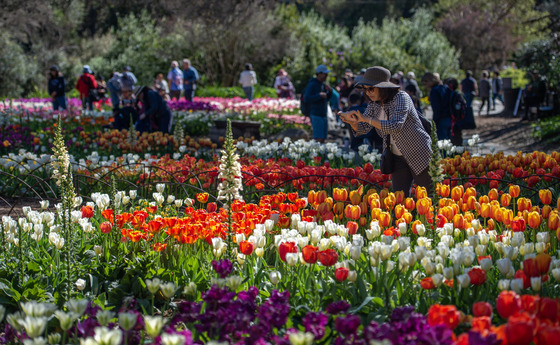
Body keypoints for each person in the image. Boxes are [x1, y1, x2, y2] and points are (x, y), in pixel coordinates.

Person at [339, 66, 432, 196]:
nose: (368, 93)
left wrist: (366, 119)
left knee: (429, 196)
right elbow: (363, 129)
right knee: (399, 200)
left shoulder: (401, 97)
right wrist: (352, 122)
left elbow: (395, 126)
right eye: (365, 89)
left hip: (417, 151)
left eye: (371, 88)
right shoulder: (374, 104)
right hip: (396, 156)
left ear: (383, 87)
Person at [303, 65, 332, 143]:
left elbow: (326, 99)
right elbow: (307, 98)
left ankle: (320, 155)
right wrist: (319, 95)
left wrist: (330, 92)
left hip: (323, 114)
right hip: (316, 114)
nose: (326, 76)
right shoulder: (312, 84)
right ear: (319, 74)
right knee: (319, 138)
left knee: (323, 138)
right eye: (325, 74)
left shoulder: (322, 84)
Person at [421, 72, 452, 140]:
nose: (426, 86)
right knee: (448, 141)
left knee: (442, 142)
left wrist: (434, 122)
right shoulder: (445, 87)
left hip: (441, 119)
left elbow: (437, 108)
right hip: (450, 118)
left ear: (429, 81)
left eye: (425, 83)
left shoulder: (434, 91)